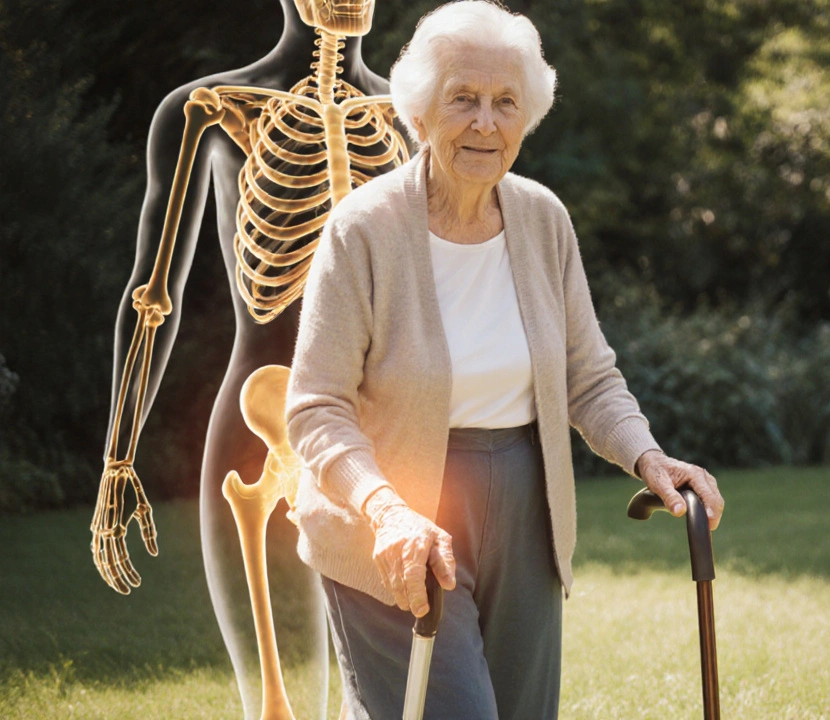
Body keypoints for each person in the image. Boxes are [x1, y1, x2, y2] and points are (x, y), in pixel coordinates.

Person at [283, 2, 726, 718]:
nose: (485, 122)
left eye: (504, 103)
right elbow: (315, 407)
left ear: (527, 118)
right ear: (420, 115)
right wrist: (386, 510)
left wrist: (649, 456)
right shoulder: (362, 232)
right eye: (463, 99)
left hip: (526, 504)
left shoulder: (543, 219)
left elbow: (588, 377)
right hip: (393, 512)